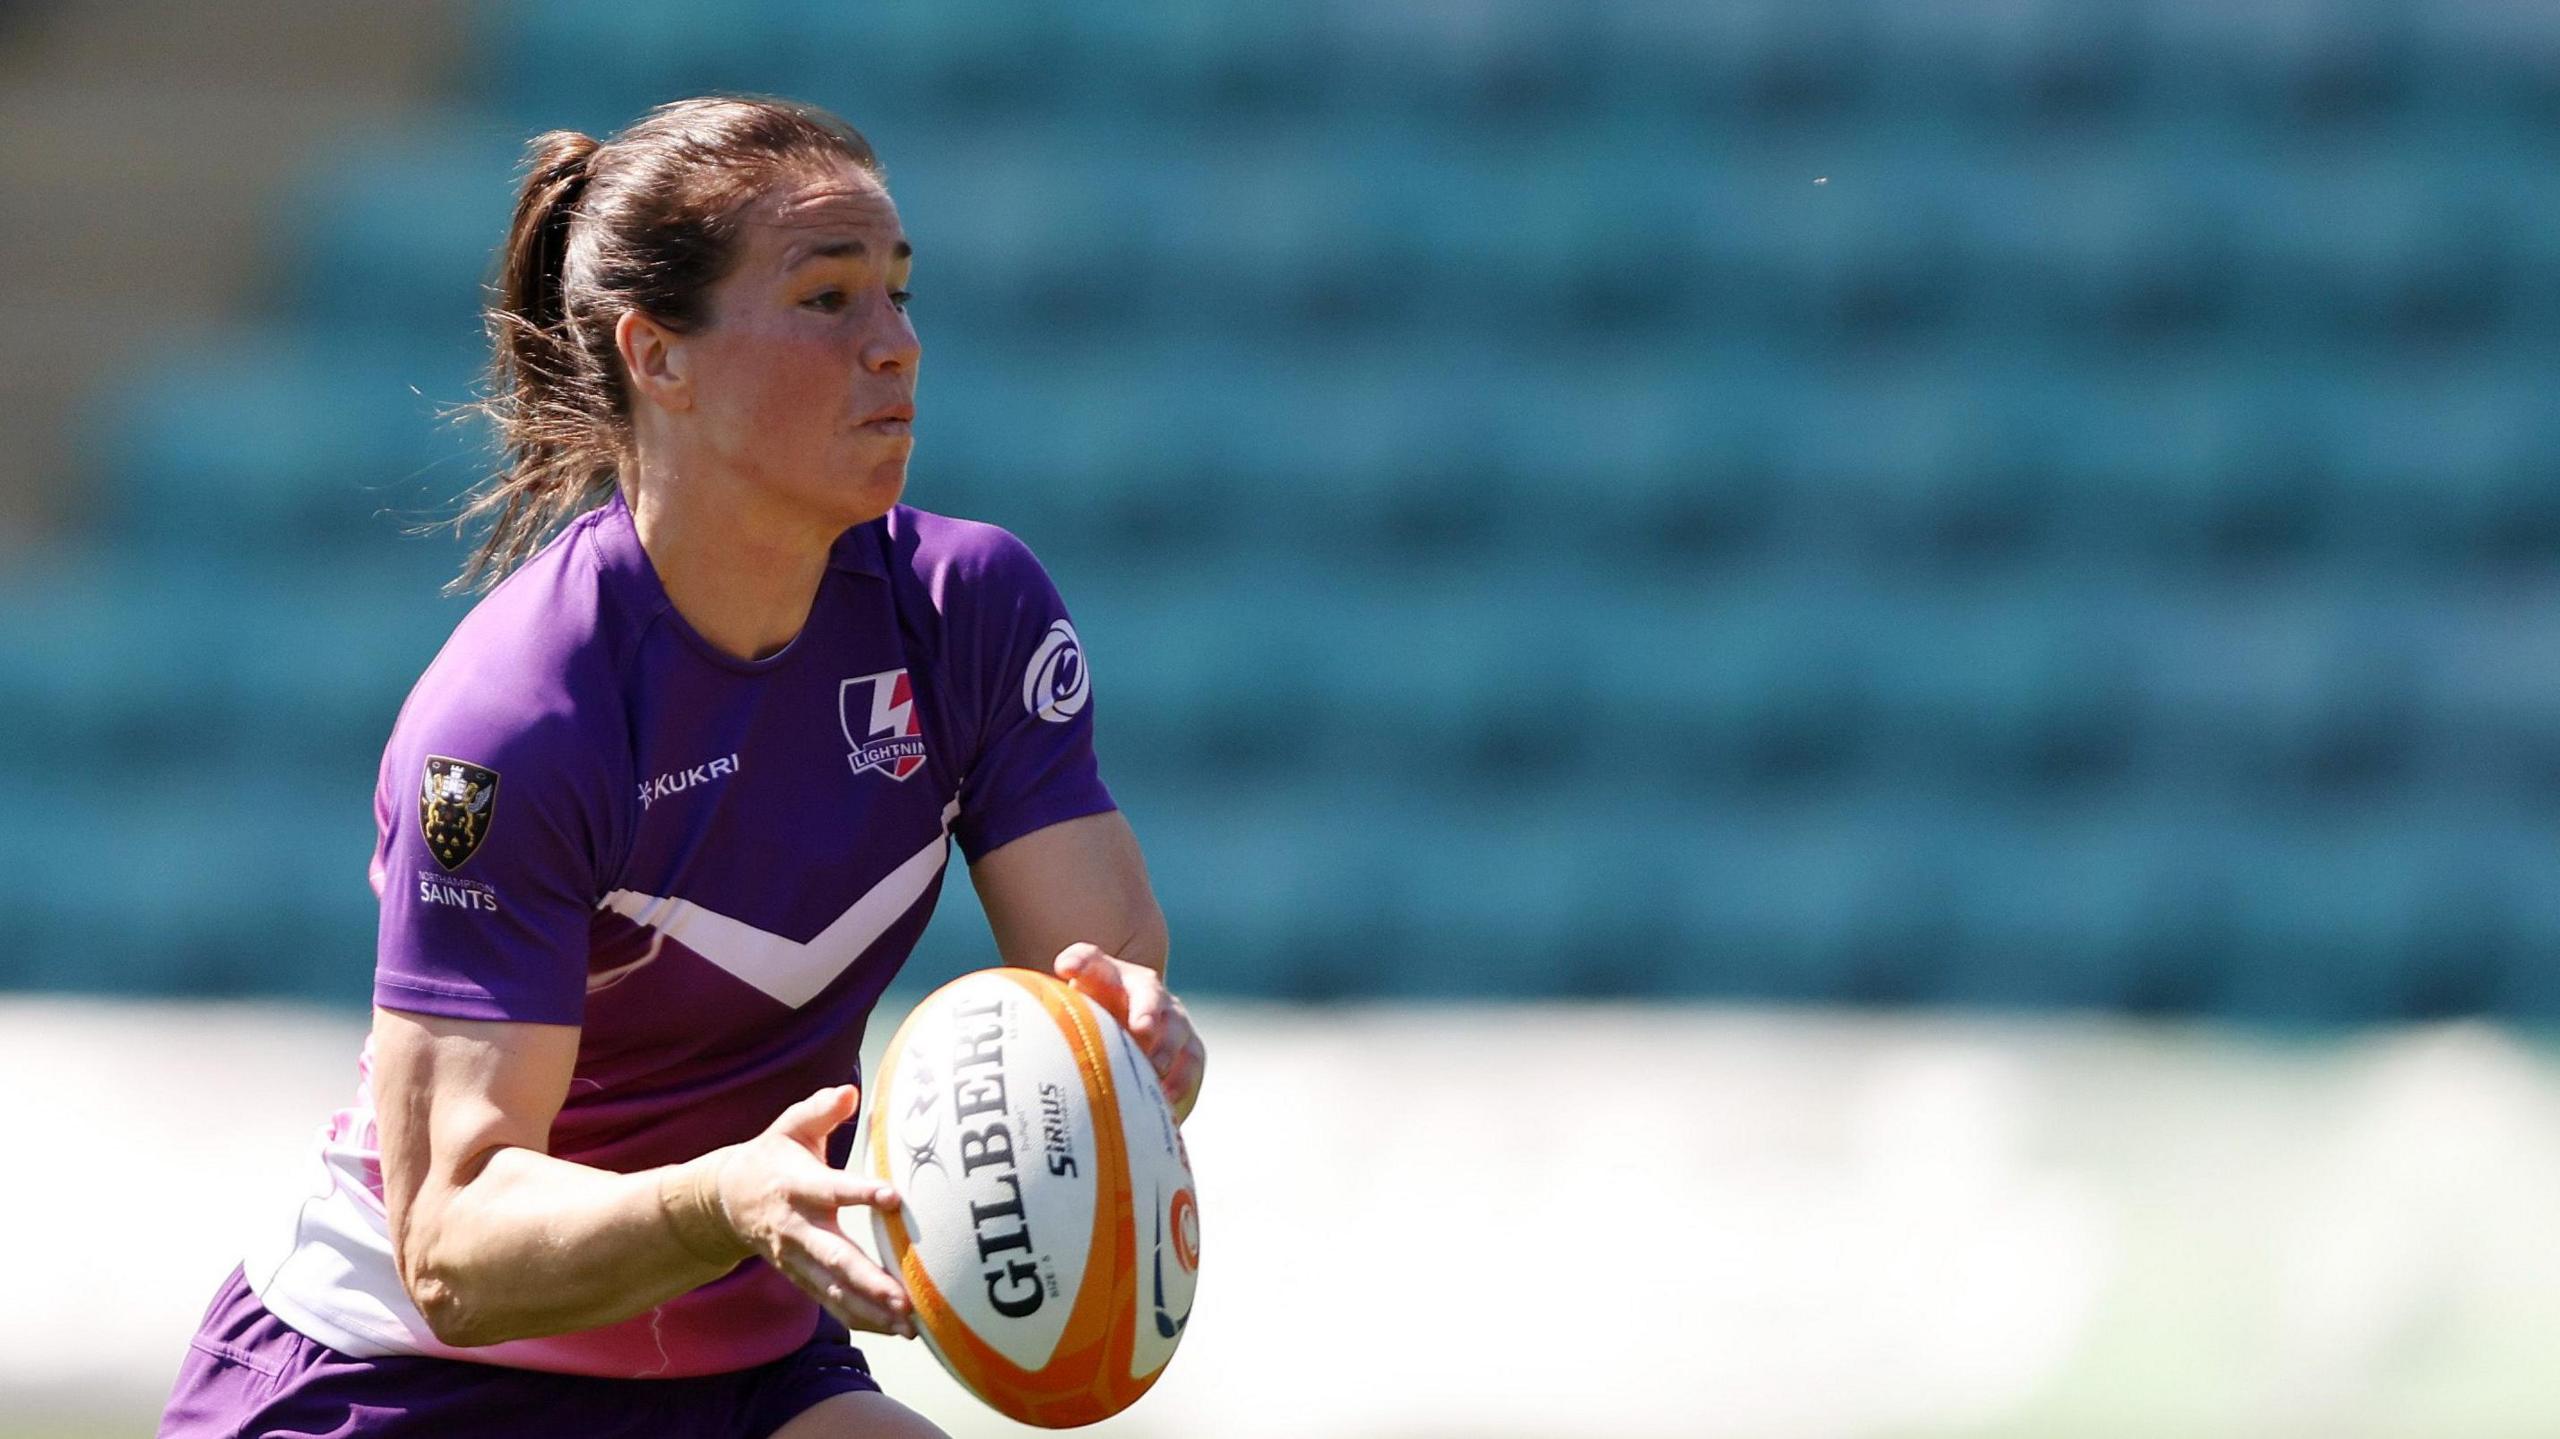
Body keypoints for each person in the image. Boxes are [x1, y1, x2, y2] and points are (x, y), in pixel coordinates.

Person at [157, 95, 1205, 1439]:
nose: (896, 348)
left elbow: (1106, 992)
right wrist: (723, 1200)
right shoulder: (517, 719)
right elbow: (453, 1242)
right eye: (829, 300)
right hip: (394, 1384)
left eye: (898, 293)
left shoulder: (971, 616)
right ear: (659, 356)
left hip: (735, 1360)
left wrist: (1138, 1050)